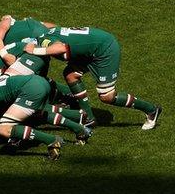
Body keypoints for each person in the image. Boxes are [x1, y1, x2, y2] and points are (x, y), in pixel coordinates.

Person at [24, 26, 162, 129]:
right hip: (92, 49)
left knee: (107, 96)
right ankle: (89, 118)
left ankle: (151, 110)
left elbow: (60, 48)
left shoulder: (44, 41)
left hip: (105, 51)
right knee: (71, 75)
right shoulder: (46, 30)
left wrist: (35, 50)